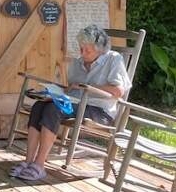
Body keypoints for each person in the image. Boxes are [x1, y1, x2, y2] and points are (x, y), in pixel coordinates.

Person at [11, 25, 132, 182]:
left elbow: (118, 91)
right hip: (76, 104)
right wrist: (53, 94)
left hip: (99, 110)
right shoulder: (78, 62)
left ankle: (39, 165)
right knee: (39, 106)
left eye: (87, 50)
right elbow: (72, 89)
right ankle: (28, 161)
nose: (82, 53)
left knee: (54, 109)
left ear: (100, 50)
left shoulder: (114, 59)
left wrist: (86, 88)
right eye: (81, 48)